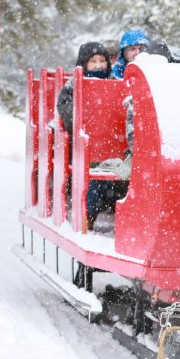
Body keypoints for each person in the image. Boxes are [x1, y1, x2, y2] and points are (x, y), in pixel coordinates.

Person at [55, 41, 127, 230]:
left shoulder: (114, 83)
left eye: (102, 61)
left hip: (110, 143)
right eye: (93, 61)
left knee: (121, 174)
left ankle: (122, 218)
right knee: (94, 180)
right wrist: (84, 121)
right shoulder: (73, 86)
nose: (98, 65)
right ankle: (88, 216)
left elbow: (118, 110)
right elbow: (65, 107)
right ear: (84, 63)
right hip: (85, 144)